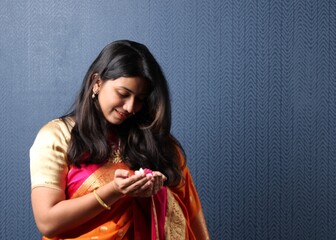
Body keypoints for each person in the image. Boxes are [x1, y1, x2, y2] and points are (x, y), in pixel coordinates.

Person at [30, 40, 210, 240]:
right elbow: (47, 222)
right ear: (97, 83)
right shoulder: (57, 137)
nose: (131, 107)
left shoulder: (157, 143)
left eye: (140, 99)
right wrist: (115, 190)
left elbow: (188, 215)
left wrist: (156, 193)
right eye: (123, 94)